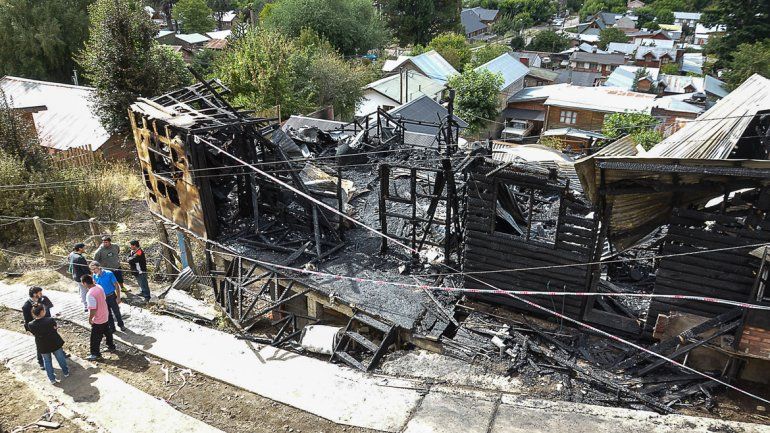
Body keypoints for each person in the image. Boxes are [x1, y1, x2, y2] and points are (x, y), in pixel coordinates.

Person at [27, 303, 69, 384]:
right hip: (54, 343)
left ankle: (52, 379)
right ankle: (66, 372)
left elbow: (34, 333)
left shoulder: (31, 324)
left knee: (47, 361)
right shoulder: (50, 320)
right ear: (42, 311)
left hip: (42, 345)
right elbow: (55, 328)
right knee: (60, 358)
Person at [81, 274, 116, 360]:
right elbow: (103, 298)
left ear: (85, 283)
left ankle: (95, 353)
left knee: (95, 338)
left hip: (98, 319)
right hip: (105, 314)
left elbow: (93, 309)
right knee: (107, 331)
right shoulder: (99, 287)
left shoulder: (90, 294)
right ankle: (111, 346)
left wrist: (90, 319)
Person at [22, 287, 54, 370]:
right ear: (34, 294)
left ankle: (60, 353)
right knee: (40, 343)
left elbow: (51, 307)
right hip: (38, 327)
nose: (41, 294)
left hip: (48, 323)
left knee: (54, 338)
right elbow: (27, 321)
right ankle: (40, 361)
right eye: (39, 293)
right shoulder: (26, 306)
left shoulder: (43, 299)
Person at [89, 261, 126, 332]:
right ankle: (112, 328)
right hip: (103, 298)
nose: (93, 271)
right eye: (92, 270)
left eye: (94, 269)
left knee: (116, 311)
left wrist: (118, 297)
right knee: (107, 313)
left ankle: (121, 325)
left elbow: (116, 285)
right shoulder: (94, 275)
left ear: (99, 267)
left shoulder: (109, 273)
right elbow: (95, 285)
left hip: (111, 296)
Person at [68, 243, 90, 312]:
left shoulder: (72, 254)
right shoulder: (80, 258)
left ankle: (83, 301)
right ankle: (86, 305)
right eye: (84, 247)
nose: (84, 249)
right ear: (80, 249)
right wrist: (90, 274)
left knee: (81, 289)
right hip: (82, 277)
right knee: (85, 291)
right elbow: (86, 269)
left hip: (75, 276)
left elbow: (68, 257)